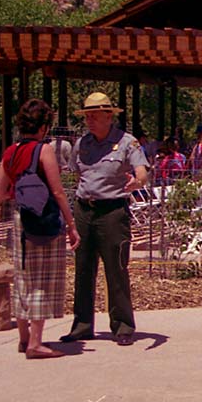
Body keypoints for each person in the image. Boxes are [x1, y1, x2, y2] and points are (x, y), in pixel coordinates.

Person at [0, 100, 80, 358]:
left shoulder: (11, 151)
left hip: (21, 219)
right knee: (43, 278)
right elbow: (57, 190)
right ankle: (36, 343)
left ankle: (23, 339)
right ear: (43, 126)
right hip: (44, 219)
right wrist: (71, 224)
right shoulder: (43, 151)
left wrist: (22, 194)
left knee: (23, 277)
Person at [62, 92, 148, 345]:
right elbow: (77, 173)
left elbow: (142, 172)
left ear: (109, 116)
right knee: (83, 268)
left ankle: (122, 326)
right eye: (87, 116)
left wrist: (136, 182)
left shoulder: (127, 142)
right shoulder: (83, 144)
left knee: (116, 269)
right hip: (84, 210)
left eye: (94, 116)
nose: (89, 121)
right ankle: (82, 325)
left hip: (112, 212)